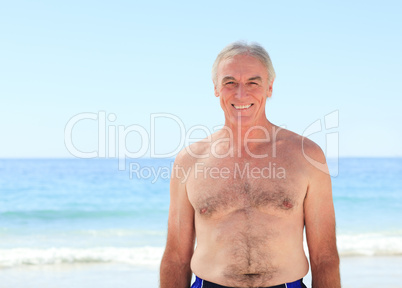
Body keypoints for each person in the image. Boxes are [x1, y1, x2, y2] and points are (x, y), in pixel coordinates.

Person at [160, 41, 340, 288]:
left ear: (269, 87)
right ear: (216, 88)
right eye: (229, 82)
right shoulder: (189, 161)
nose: (241, 93)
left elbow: (325, 257)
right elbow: (176, 258)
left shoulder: (307, 156)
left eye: (253, 83)